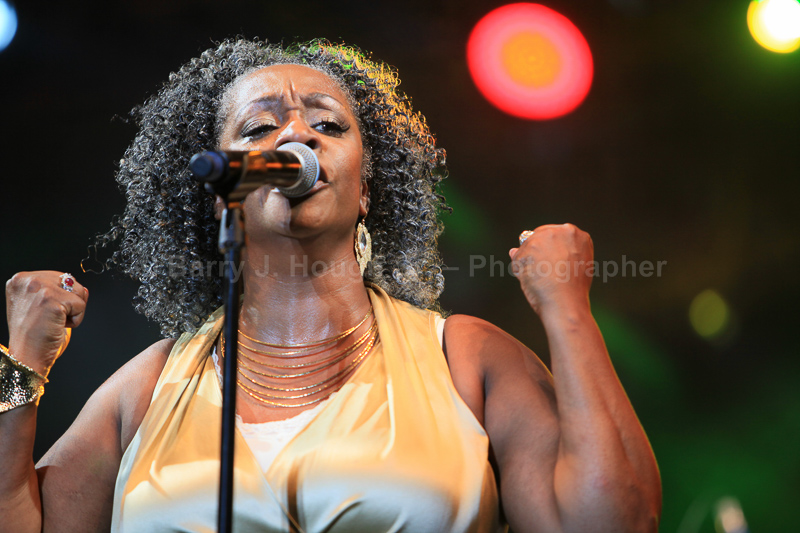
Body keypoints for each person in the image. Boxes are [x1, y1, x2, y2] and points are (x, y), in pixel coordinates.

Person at [0, 39, 661, 532]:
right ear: (222, 190)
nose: (295, 134)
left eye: (328, 125)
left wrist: (567, 311)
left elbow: (611, 522)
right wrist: (22, 363)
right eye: (259, 129)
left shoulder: (466, 359)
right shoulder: (150, 385)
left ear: (366, 189)